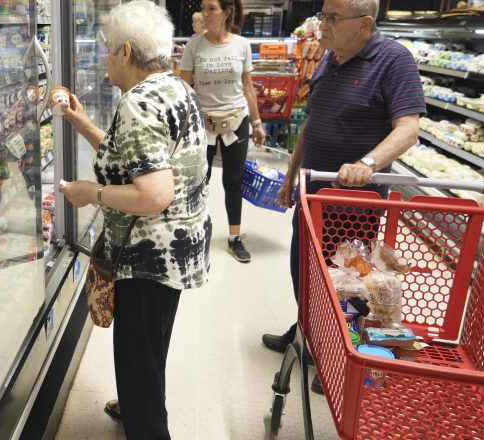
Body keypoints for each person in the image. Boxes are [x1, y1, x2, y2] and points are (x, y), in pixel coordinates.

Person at [59, 1, 212, 438]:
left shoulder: (137, 103)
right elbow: (141, 159)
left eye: (108, 49)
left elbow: (152, 194)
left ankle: (147, 424)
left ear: (125, 53)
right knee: (150, 348)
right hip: (180, 247)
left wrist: (91, 194)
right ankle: (137, 404)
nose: (105, 56)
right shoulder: (172, 87)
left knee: (136, 358)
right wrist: (82, 122)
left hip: (148, 256)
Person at [260, 0, 424, 394]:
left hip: (355, 203)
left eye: (333, 18)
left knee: (348, 283)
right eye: (323, 15)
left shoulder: (394, 60)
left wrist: (367, 162)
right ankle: (306, 330)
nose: (322, 24)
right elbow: (310, 125)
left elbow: (408, 128)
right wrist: (291, 176)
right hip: (313, 194)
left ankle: (339, 350)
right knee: (304, 268)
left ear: (365, 24)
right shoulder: (329, 60)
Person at [179, 0, 265, 264]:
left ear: (226, 13)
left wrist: (257, 122)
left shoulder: (241, 45)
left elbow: (248, 88)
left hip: (236, 120)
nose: (205, 13)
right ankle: (194, 234)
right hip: (203, 123)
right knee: (198, 181)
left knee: (233, 181)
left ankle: (234, 238)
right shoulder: (194, 46)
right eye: (203, 8)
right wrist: (181, 125)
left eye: (211, 8)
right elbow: (184, 87)